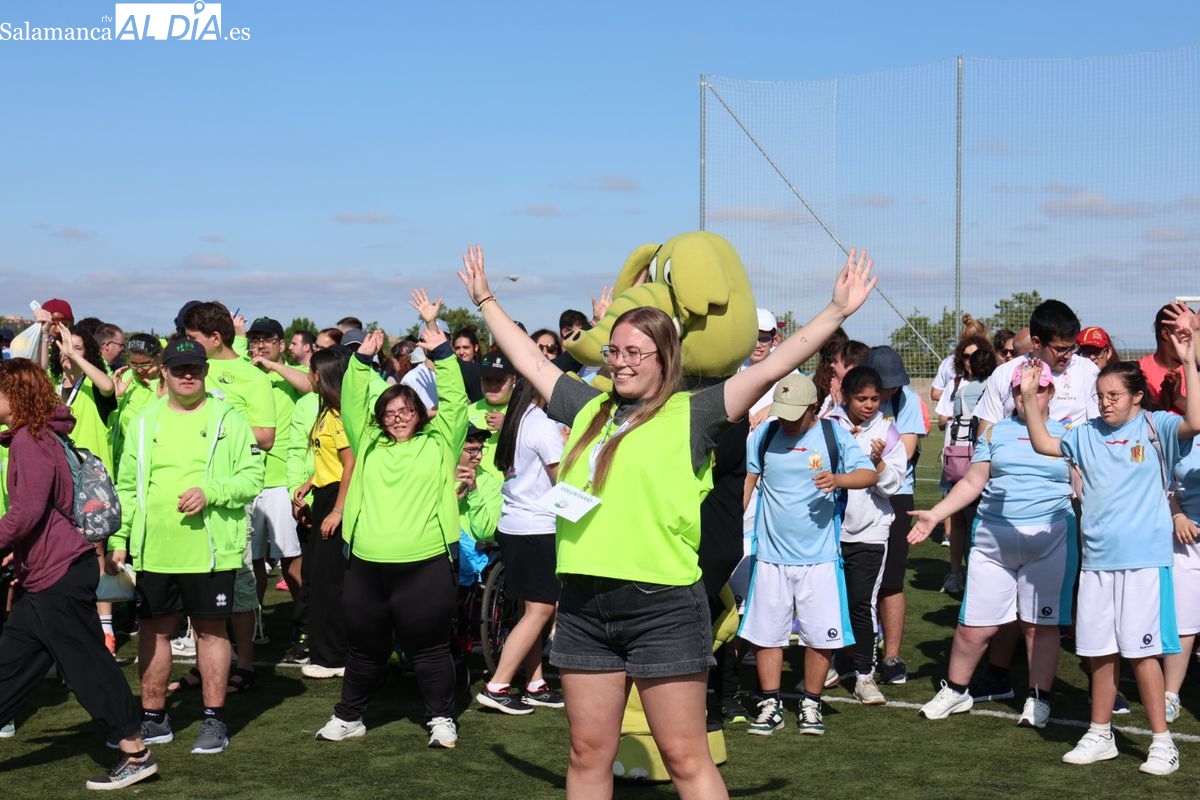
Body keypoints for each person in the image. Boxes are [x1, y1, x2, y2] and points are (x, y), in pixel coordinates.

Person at [458, 243, 875, 799]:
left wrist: (836, 311)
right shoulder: (588, 407)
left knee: (685, 758)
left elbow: (772, 366)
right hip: (583, 604)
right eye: (615, 350)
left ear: (665, 358)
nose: (621, 361)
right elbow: (531, 360)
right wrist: (485, 299)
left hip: (664, 608)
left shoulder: (695, 413)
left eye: (636, 351)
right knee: (587, 754)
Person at [1022, 309, 1200, 776]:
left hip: (1143, 563)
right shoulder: (1085, 435)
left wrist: (1190, 362)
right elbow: (1042, 442)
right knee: (1097, 653)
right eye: (1101, 396)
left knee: (1141, 654)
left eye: (1115, 396)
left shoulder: (1157, 427)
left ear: (1137, 397)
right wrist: (1027, 396)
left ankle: (1163, 742)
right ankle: (1100, 734)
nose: (1105, 403)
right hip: (1097, 564)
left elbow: (1195, 421)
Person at [313, 292, 466, 749]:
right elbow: (355, 403)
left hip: (424, 565)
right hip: (368, 565)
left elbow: (455, 401)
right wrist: (361, 360)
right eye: (391, 412)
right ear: (380, 419)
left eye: (407, 411)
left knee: (430, 648)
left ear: (420, 415)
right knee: (364, 649)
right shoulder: (369, 443)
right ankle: (350, 716)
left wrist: (439, 349)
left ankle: (441, 718)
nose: (399, 417)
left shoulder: (440, 443)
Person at [0, 358, 158, 790]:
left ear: (15, 396)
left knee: (86, 664)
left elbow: (28, 512)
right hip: (48, 572)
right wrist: (21, 556)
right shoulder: (42, 436)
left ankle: (134, 750)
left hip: (58, 574)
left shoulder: (30, 442)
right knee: (10, 665)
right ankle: (132, 744)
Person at [106, 339, 264, 756]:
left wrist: (211, 492)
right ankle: (154, 718)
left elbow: (252, 477)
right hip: (155, 548)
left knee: (211, 632)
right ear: (165, 372)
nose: (188, 375)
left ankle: (214, 719)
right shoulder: (142, 421)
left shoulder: (229, 418)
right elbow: (127, 487)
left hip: (211, 551)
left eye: (195, 367)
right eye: (179, 369)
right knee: (154, 631)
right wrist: (119, 538)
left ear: (206, 371)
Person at [910, 362, 1075, 730]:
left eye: (1037, 388)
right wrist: (936, 515)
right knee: (974, 627)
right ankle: (956, 690)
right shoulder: (995, 433)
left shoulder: (1070, 434)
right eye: (1019, 389)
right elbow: (973, 481)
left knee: (1039, 626)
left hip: (1051, 540)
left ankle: (1038, 699)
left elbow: (1083, 488)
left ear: (1051, 392)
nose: (1027, 395)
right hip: (993, 541)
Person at [741, 374, 877, 737]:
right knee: (767, 635)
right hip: (770, 555)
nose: (785, 421)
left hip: (819, 559)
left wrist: (838, 480)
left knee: (819, 636)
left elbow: (868, 473)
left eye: (793, 414)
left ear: (813, 409)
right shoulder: (765, 435)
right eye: (781, 412)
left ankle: (811, 703)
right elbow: (749, 482)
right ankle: (770, 703)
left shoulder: (833, 436)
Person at [476, 375, 564, 715]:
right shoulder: (540, 424)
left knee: (532, 612)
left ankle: (535, 683)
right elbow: (562, 482)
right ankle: (497, 685)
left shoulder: (519, 419)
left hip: (515, 524)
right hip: (536, 527)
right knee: (541, 610)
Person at [824, 365, 906, 706]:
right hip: (827, 529)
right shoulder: (827, 424)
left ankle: (865, 675)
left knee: (861, 602)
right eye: (862, 398)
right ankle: (828, 662)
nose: (869, 405)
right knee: (826, 602)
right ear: (845, 396)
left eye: (874, 399)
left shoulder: (887, 432)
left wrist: (879, 464)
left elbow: (894, 486)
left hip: (870, 531)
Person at [864, 345, 927, 686]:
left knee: (891, 579)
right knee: (854, 576)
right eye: (883, 384)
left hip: (897, 494)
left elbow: (905, 451)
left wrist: (872, 455)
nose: (889, 391)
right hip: (857, 492)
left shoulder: (909, 402)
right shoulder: (854, 397)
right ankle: (855, 654)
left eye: (893, 384)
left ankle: (891, 655)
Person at [295, 348, 354, 680]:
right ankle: (324, 651)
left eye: (312, 371)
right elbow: (328, 461)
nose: (309, 376)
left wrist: (337, 510)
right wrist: (308, 483)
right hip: (324, 493)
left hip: (336, 498)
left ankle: (335, 656)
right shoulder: (324, 413)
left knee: (330, 580)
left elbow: (350, 466)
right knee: (316, 577)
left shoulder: (340, 415)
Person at [933, 337, 997, 594]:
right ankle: (956, 574)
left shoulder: (993, 383)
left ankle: (976, 575)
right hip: (958, 460)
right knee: (959, 520)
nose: (972, 361)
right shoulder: (955, 383)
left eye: (977, 356)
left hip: (978, 459)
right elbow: (942, 417)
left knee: (978, 520)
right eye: (968, 356)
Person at [1139, 305, 1187, 413]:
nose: (1191, 339)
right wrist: (1165, 396)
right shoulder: (1137, 371)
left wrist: (1178, 399)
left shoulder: (1196, 370)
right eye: (1185, 333)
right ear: (1166, 333)